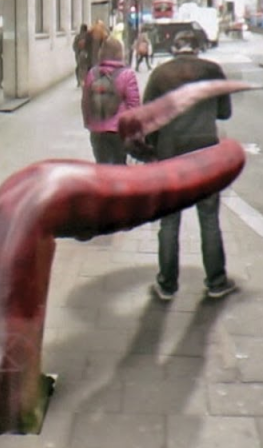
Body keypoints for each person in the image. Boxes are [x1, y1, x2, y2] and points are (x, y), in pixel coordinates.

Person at [142, 30, 239, 302]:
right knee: (209, 218)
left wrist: (151, 150)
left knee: (170, 221)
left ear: (174, 48)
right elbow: (224, 112)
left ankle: (167, 284)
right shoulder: (213, 70)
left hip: (171, 153)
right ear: (197, 49)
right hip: (206, 153)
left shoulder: (160, 75)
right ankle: (216, 281)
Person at [81, 37, 140, 166]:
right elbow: (134, 105)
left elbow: (85, 100)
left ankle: (103, 186)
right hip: (119, 131)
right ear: (120, 53)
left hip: (97, 131)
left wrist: (88, 122)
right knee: (119, 166)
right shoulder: (127, 74)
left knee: (102, 168)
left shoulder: (92, 73)